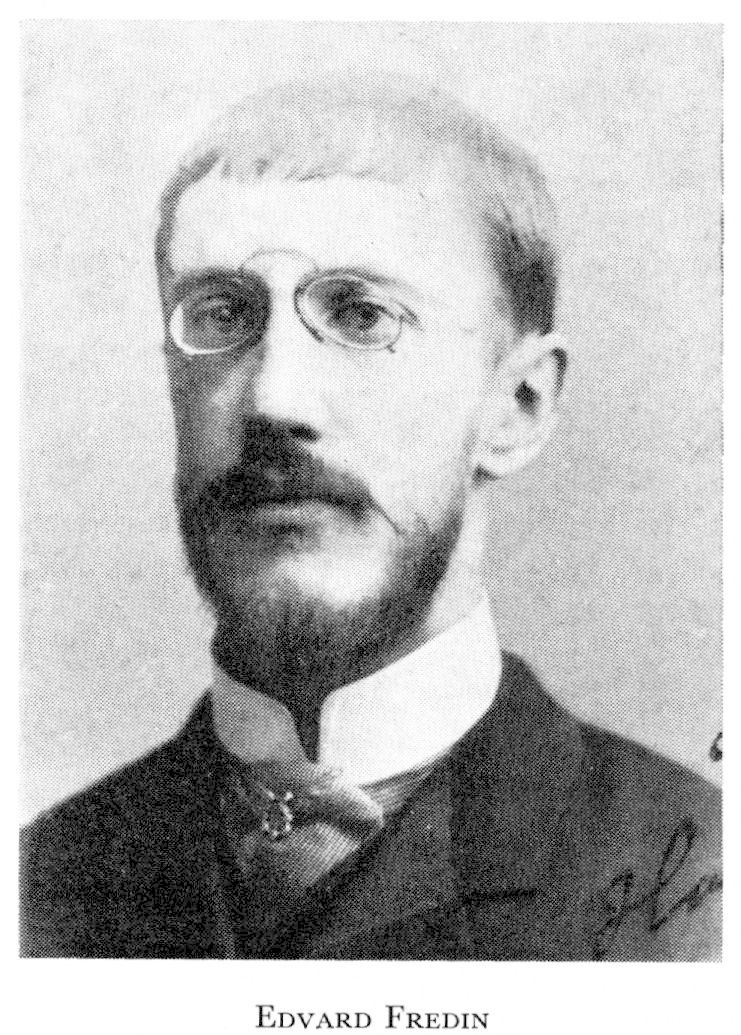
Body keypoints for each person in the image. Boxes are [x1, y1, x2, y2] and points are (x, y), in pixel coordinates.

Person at [20, 77, 721, 960]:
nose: (272, 400)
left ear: (517, 406)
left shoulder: (691, 881)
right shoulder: (39, 884)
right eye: (222, 314)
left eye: (361, 315)